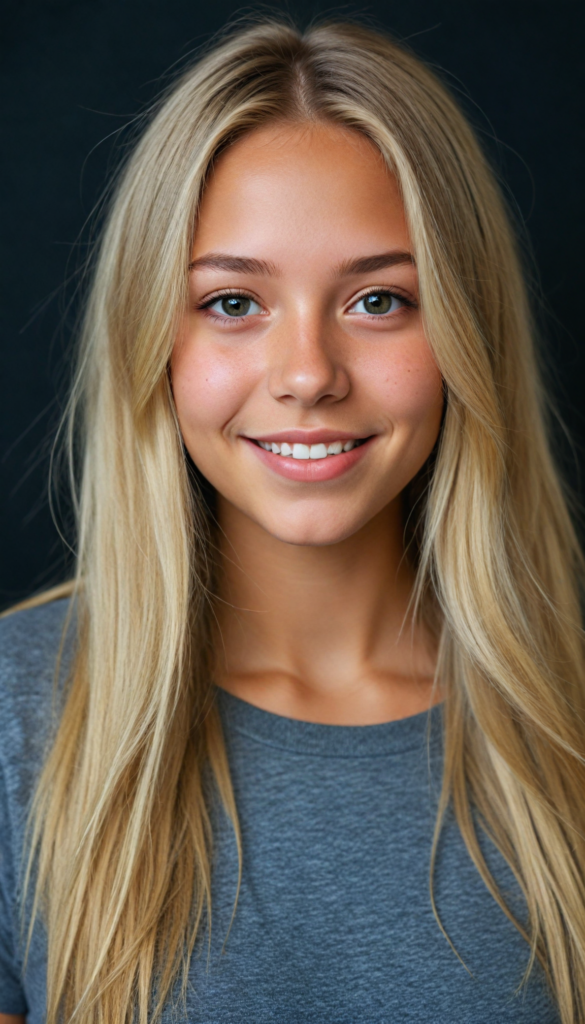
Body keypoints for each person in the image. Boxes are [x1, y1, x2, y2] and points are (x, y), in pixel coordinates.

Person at [1, 18, 584, 1024]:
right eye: (233, 302)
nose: (309, 373)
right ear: (153, 339)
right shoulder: (15, 720)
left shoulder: (566, 715)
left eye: (379, 299)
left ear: (465, 330)